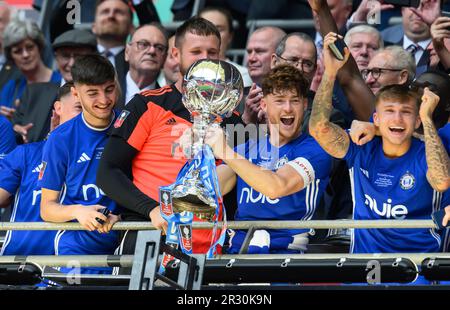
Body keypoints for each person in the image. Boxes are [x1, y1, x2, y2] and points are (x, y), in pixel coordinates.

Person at [97, 17, 242, 274]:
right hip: (148, 229)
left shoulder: (233, 119)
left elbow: (234, 182)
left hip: (207, 238)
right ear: (176, 54)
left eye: (212, 53)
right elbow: (108, 172)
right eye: (196, 52)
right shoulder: (147, 104)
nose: (205, 59)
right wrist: (152, 209)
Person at [309, 32, 449, 254]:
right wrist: (331, 72)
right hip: (364, 269)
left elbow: (441, 182)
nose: (396, 119)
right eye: (389, 112)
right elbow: (318, 128)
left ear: (417, 120)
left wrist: (427, 119)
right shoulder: (361, 144)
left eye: (405, 113)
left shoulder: (430, 151)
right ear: (376, 118)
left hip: (419, 270)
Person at [187, 64, 332, 254]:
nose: (288, 108)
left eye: (294, 101)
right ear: (264, 104)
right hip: (239, 250)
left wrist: (226, 152)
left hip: (288, 253)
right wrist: (197, 154)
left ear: (305, 104)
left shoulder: (317, 150)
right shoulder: (245, 150)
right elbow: (207, 191)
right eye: (279, 101)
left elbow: (276, 187)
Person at [39, 55, 120, 274]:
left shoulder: (130, 124)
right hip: (78, 247)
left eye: (109, 89)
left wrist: (123, 217)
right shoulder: (61, 138)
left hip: (128, 240)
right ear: (75, 93)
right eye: (92, 93)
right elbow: (47, 208)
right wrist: (78, 211)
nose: (104, 100)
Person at [0, 82, 81, 256]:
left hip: (72, 268)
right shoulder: (26, 154)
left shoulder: (105, 160)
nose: (87, 117)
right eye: (79, 108)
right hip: (19, 266)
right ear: (58, 109)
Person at [12, 29, 98, 144]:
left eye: (79, 56)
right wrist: (15, 131)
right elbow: (13, 130)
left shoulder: (101, 97)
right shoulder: (33, 93)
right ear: (56, 58)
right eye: (65, 56)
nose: (71, 63)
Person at [0, 19, 61, 119]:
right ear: (11, 57)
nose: (25, 55)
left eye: (30, 47)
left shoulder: (61, 83)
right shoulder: (11, 87)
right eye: (18, 51)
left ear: (40, 47)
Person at [92, 0, 134, 106]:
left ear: (131, 28)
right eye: (105, 11)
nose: (111, 16)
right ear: (94, 26)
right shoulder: (77, 57)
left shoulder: (137, 63)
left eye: (119, 12)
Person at [122, 23, 167, 108]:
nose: (152, 51)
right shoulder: (107, 92)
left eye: (159, 48)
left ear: (164, 58)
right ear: (127, 52)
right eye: (143, 44)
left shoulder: (168, 104)